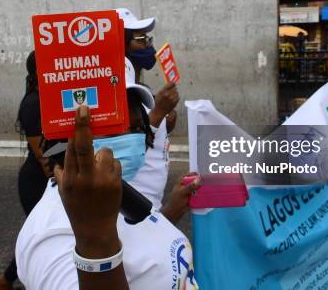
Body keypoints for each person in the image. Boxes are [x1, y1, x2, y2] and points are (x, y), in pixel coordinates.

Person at [15, 73, 199, 289]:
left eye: (137, 127)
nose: (130, 140)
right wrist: (95, 238)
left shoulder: (118, 193)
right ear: (69, 134)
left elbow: (141, 248)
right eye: (111, 128)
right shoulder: (51, 235)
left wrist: (171, 211)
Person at [0, 51, 60, 290]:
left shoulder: (51, 97)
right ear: (39, 73)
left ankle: (8, 279)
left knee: (43, 233)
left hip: (51, 177)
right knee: (40, 235)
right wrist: (58, 179)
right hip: (37, 180)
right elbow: (43, 154)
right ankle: (15, 279)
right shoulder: (33, 103)